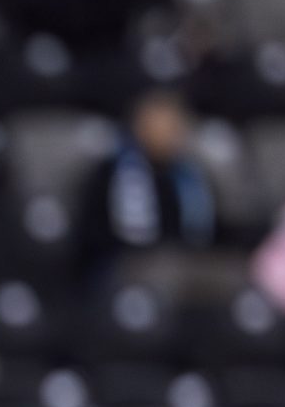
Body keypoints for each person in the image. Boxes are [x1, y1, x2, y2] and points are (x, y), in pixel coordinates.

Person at [75, 89, 218, 291]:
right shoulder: (109, 174)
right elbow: (92, 237)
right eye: (161, 125)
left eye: (175, 125)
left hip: (185, 262)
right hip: (126, 263)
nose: (170, 133)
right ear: (139, 127)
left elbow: (212, 232)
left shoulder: (194, 177)